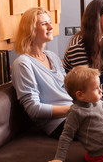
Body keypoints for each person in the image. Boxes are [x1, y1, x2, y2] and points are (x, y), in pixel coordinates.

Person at [12, 7, 73, 139]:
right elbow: (34, 109)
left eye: (50, 22)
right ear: (31, 30)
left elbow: (69, 88)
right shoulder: (23, 63)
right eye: (44, 24)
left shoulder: (52, 56)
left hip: (75, 112)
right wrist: (74, 110)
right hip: (60, 123)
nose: (51, 27)